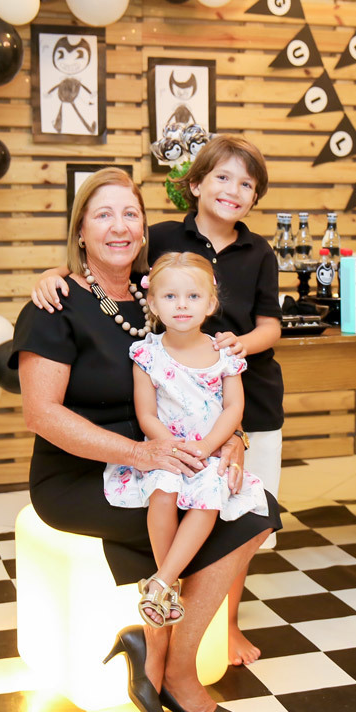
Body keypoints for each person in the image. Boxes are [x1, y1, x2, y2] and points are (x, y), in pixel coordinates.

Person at [12, 167, 280, 712]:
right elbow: (42, 414)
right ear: (80, 230)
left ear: (144, 230)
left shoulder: (156, 297)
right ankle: (167, 665)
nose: (119, 226)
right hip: (81, 473)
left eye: (130, 214)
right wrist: (142, 455)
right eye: (103, 214)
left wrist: (231, 440)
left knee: (257, 511)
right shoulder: (54, 304)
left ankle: (168, 659)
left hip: (169, 458)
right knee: (217, 519)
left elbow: (204, 386)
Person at [104, 252, 270, 628]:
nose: (182, 305)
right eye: (170, 296)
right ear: (153, 303)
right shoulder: (146, 354)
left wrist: (207, 446)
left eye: (193, 297)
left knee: (209, 494)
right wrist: (174, 449)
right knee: (163, 488)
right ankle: (170, 585)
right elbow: (147, 414)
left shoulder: (223, 353)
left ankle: (161, 582)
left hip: (209, 453)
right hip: (165, 451)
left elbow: (234, 408)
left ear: (210, 303)